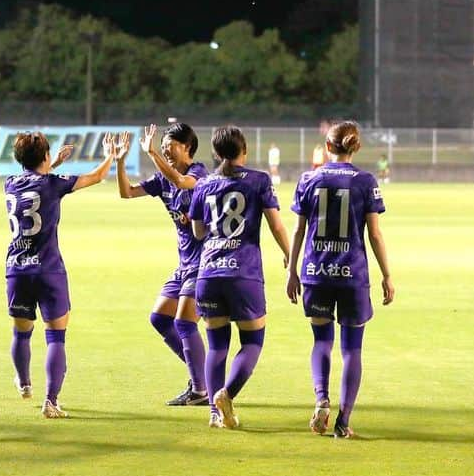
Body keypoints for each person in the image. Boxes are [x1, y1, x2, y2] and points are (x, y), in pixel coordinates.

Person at [287, 120, 393, 439]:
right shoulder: (364, 181)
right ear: (355, 146)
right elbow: (374, 233)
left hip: (316, 272)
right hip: (352, 274)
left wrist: (292, 271)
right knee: (352, 350)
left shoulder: (308, 179)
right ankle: (343, 422)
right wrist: (387, 275)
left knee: (321, 341)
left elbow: (298, 230)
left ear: (328, 146)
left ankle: (321, 399)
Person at [5, 130, 117, 419]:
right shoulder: (54, 184)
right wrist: (110, 156)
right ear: (44, 155)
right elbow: (96, 176)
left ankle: (24, 384)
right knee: (55, 336)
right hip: (49, 269)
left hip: (17, 269)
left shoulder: (10, 184)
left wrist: (51, 163)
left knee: (21, 331)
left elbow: (34, 180)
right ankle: (51, 401)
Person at [189, 125, 290, 429]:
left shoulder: (204, 185)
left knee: (217, 344)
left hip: (208, 272)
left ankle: (214, 414)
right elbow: (275, 225)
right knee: (252, 341)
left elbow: (197, 231)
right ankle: (227, 394)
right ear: (243, 151)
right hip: (243, 273)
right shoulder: (259, 181)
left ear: (216, 153)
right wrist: (289, 254)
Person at [114, 123, 209, 406]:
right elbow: (127, 192)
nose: (166, 150)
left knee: (184, 322)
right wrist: (120, 162)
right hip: (184, 265)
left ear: (187, 148)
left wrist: (153, 151)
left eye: (171, 146)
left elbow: (183, 182)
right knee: (159, 318)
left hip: (205, 262)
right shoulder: (162, 179)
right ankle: (205, 376)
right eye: (164, 146)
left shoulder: (199, 173)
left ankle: (201, 389)